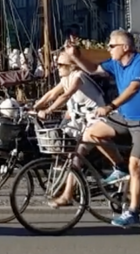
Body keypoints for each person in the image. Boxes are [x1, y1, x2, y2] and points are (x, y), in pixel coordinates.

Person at [65, 29, 140, 227]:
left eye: (111, 46)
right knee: (93, 133)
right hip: (126, 117)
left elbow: (134, 88)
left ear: (125, 47)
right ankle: (119, 166)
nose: (108, 49)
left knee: (136, 165)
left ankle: (133, 211)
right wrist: (76, 57)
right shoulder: (116, 64)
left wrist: (111, 106)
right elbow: (93, 69)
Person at [33, 52, 106, 208]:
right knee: (63, 147)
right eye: (56, 64)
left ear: (72, 66)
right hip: (80, 123)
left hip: (95, 122)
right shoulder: (65, 78)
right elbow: (52, 93)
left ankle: (69, 194)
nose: (57, 67)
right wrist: (35, 106)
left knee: (76, 156)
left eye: (60, 65)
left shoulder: (78, 76)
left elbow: (67, 95)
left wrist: (49, 110)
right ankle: (75, 181)